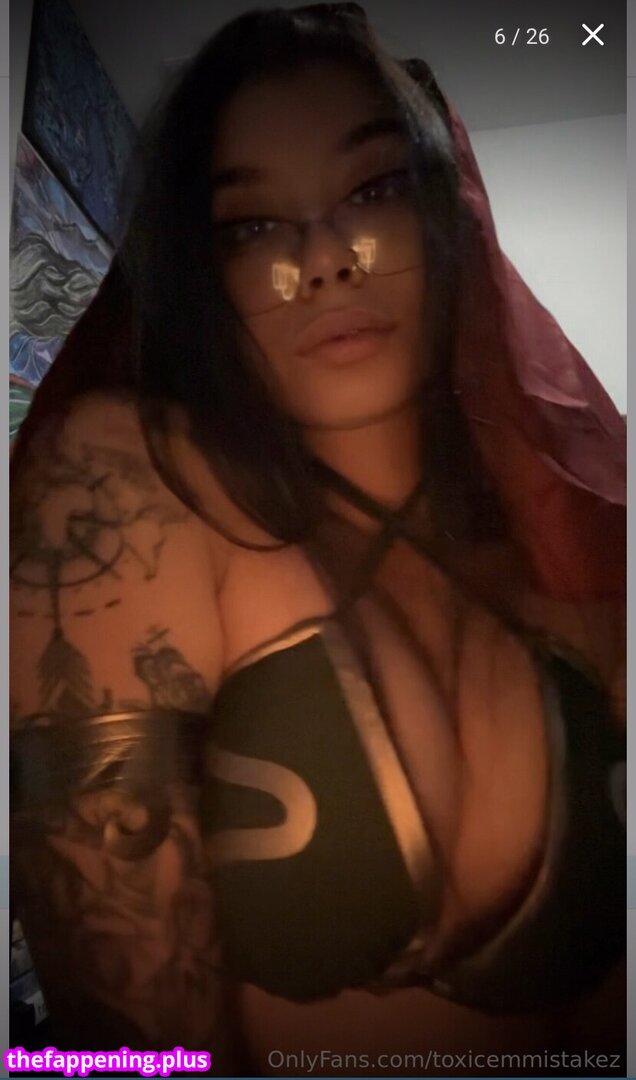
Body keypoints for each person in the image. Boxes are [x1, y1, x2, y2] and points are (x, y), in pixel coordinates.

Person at [9, 3, 626, 1076]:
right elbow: (124, 1031)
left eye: (373, 191)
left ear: (443, 217)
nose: (326, 259)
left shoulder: (563, 576)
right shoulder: (134, 482)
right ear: (203, 275)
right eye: (253, 227)